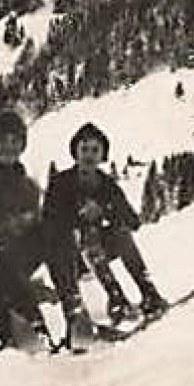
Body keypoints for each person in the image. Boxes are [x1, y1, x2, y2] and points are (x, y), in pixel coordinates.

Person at [43, 122, 168, 334]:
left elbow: (132, 220)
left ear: (102, 155)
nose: (89, 156)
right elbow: (49, 221)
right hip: (70, 256)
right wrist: (78, 218)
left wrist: (104, 211)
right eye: (84, 149)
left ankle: (148, 291)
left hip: (101, 249)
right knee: (88, 235)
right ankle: (116, 297)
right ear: (75, 152)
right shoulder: (61, 183)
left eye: (95, 150)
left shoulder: (108, 185)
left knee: (120, 232)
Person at [0, 108, 53, 347]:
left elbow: (36, 220)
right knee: (2, 264)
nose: (9, 147)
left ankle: (72, 305)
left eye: (15, 141)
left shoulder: (27, 185)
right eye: (2, 141)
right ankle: (29, 329)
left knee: (53, 231)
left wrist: (31, 221)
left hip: (18, 254)